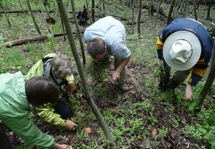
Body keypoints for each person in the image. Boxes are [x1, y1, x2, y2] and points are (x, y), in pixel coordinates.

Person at [0, 71, 72, 149]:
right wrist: (57, 146)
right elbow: (31, 134)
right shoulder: (13, 110)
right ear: (38, 102)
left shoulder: (15, 78)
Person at [156, 18, 214, 100]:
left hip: (200, 33)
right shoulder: (169, 31)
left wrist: (190, 85)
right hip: (181, 24)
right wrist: (161, 57)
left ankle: (171, 87)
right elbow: (160, 43)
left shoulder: (205, 50)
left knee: (181, 75)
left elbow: (200, 69)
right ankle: (163, 82)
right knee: (163, 67)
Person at [26, 53, 77, 130]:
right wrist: (63, 123)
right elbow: (44, 111)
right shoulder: (41, 86)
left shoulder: (55, 58)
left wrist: (71, 82)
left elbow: (67, 72)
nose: (66, 76)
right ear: (53, 70)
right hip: (40, 92)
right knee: (65, 112)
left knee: (75, 74)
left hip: (52, 82)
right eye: (63, 75)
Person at [84, 16, 131, 91]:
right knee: (96, 61)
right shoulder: (88, 35)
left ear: (105, 48)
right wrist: (96, 59)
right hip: (105, 22)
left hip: (116, 27)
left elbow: (127, 56)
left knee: (118, 60)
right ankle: (96, 77)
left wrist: (118, 70)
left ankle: (121, 84)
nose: (97, 60)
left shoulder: (117, 46)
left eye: (100, 57)